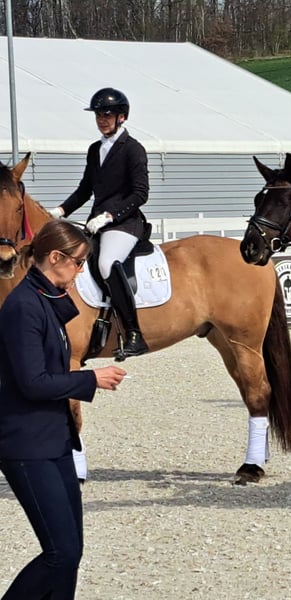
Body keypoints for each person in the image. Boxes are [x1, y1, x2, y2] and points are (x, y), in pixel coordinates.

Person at [0, 220, 127, 599]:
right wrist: (91, 379)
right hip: (26, 446)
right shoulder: (23, 306)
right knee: (60, 553)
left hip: (55, 440)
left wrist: (62, 289)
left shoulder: (46, 298)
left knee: (71, 553)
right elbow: (33, 382)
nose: (81, 271)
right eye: (78, 262)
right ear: (54, 257)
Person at [49, 87, 150, 359]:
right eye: (98, 115)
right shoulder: (95, 150)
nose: (101, 120)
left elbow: (140, 193)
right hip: (97, 223)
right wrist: (60, 211)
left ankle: (134, 333)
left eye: (107, 114)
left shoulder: (133, 149)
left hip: (125, 223)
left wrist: (109, 216)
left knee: (106, 263)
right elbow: (85, 189)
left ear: (121, 117)